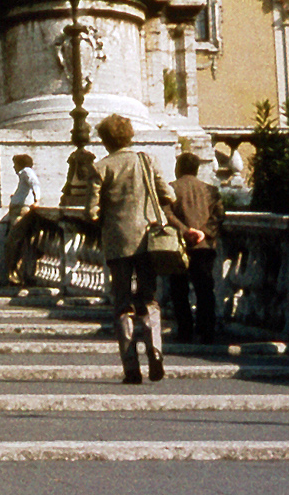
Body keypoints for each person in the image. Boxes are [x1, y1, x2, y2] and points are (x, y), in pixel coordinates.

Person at [87, 114, 184, 384]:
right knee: (148, 298)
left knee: (122, 303)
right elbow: (169, 195)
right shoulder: (146, 160)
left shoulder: (101, 168)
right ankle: (155, 350)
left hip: (117, 243)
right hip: (147, 240)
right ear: (129, 135)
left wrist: (105, 212)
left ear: (105, 140)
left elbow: (91, 212)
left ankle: (131, 367)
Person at [168, 152, 222, 344]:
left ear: (179, 168)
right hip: (204, 245)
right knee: (205, 289)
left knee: (179, 289)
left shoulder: (172, 189)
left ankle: (185, 330)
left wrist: (185, 231)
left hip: (179, 245)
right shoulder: (211, 191)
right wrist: (203, 232)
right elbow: (218, 216)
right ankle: (206, 329)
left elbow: (166, 214)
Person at [0, 154, 40, 284]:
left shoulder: (26, 171)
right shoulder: (24, 174)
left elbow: (34, 183)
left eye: (15, 163)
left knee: (13, 242)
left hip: (21, 210)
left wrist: (37, 200)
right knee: (17, 242)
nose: (13, 167)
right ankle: (15, 273)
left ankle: (14, 273)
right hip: (17, 210)